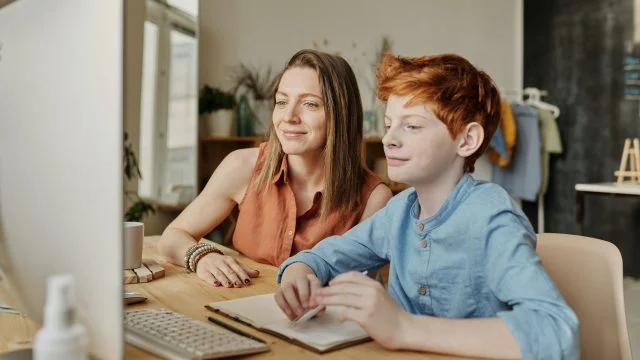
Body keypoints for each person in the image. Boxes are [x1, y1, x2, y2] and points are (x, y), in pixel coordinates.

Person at [275, 53, 579, 359]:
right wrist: (297, 276)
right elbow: (324, 257)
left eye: (412, 127)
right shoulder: (400, 210)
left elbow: (556, 331)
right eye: (389, 124)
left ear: (467, 140)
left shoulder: (491, 217)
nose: (389, 139)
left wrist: (403, 328)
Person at [158, 49, 392, 289]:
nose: (288, 116)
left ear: (341, 114)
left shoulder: (374, 198)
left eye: (310, 104)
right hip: (233, 309)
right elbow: (172, 236)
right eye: (281, 102)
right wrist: (202, 257)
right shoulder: (242, 166)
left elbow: (358, 286)